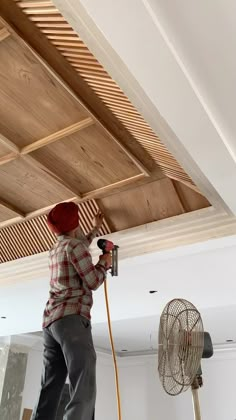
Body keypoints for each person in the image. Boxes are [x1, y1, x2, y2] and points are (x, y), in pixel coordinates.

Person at [31, 201, 111, 420]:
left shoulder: (56, 249)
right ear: (76, 223)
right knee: (82, 381)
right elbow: (93, 281)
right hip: (71, 321)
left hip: (50, 323)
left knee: (51, 385)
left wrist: (95, 229)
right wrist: (104, 262)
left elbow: (79, 245)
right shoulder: (75, 248)